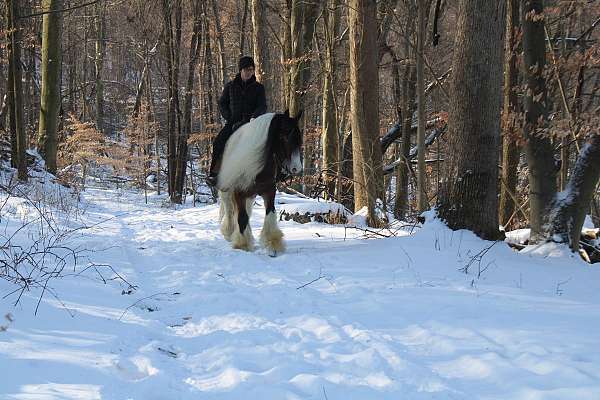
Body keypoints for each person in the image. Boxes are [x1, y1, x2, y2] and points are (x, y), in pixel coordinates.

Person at [206, 56, 267, 186]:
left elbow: (262, 106)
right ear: (240, 70)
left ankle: (265, 175)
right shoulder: (230, 86)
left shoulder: (258, 88)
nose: (249, 72)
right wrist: (228, 116)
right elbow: (222, 103)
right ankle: (214, 174)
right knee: (218, 142)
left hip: (251, 123)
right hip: (232, 122)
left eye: (251, 69)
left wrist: (255, 116)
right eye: (246, 69)